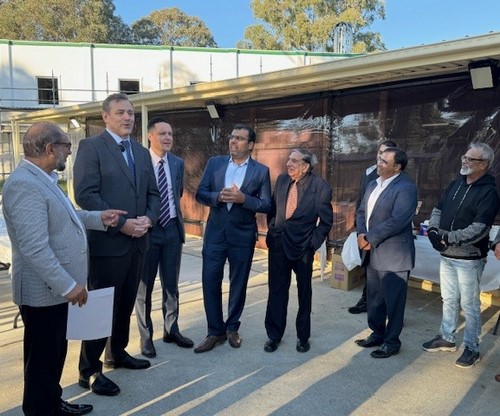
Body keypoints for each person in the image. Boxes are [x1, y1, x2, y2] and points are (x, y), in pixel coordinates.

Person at [2, 122, 125, 415]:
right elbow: (35, 248)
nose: (69, 153)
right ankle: (41, 409)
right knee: (43, 359)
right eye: (67, 146)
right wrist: (69, 286)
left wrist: (99, 218)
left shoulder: (42, 178)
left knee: (53, 356)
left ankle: (50, 403)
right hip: (44, 292)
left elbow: (65, 219)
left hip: (53, 291)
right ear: (49, 149)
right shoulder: (24, 184)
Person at [74, 93, 161, 395]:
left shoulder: (139, 151)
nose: (128, 118)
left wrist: (148, 220)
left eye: (132, 114)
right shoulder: (91, 148)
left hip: (138, 243)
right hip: (109, 244)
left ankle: (117, 353)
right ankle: (89, 370)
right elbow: (85, 194)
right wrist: (123, 224)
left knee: (124, 304)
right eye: (121, 113)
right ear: (105, 117)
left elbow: (153, 193)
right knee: (100, 308)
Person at [194, 124, 271, 353]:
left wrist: (243, 199)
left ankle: (232, 328)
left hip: (242, 236)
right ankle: (214, 331)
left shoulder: (261, 171)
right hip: (215, 235)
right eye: (231, 137)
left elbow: (267, 204)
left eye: (239, 138)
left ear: (250, 145)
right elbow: (200, 193)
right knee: (210, 281)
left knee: (238, 283)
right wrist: (217, 196)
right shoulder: (214, 163)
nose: (233, 141)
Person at [422, 143, 499, 368]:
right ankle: (446, 337)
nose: (464, 161)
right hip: (447, 254)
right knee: (448, 299)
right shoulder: (456, 184)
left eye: (470, 159)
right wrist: (435, 231)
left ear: (484, 164)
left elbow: (480, 227)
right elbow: (438, 209)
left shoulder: (489, 192)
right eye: (464, 157)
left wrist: (449, 238)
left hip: (469, 258)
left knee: (470, 304)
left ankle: (472, 348)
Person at [264, 148, 333, 353]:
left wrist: (312, 243)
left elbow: (325, 222)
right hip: (278, 246)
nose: (288, 164)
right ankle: (274, 335)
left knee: (304, 293)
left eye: (294, 161)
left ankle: (303, 337)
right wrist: (273, 229)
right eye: (288, 160)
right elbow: (274, 210)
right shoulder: (283, 180)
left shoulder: (320, 188)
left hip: (303, 248)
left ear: (306, 166)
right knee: (276, 291)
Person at [134, 117, 193, 358]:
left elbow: (176, 193)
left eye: (170, 134)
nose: (168, 138)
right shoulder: (139, 162)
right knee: (144, 288)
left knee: (171, 285)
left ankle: (171, 330)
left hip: (172, 230)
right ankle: (146, 337)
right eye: (162, 134)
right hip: (148, 231)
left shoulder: (177, 163)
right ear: (150, 136)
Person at [355, 147, 418, 358]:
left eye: (384, 161)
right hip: (372, 252)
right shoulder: (373, 183)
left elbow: (398, 220)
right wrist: (362, 234)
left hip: (394, 255)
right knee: (374, 297)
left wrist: (369, 239)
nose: (378, 163)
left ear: (397, 166)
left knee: (394, 302)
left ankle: (391, 342)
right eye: (379, 159)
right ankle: (377, 333)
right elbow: (362, 211)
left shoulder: (406, 187)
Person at [348, 140, 397, 314]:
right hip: (366, 231)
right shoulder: (369, 172)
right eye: (379, 152)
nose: (380, 155)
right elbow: (361, 201)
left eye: (385, 153)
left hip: (386, 233)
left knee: (386, 273)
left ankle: (389, 309)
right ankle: (366, 300)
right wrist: (360, 229)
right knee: (368, 266)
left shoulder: (398, 178)